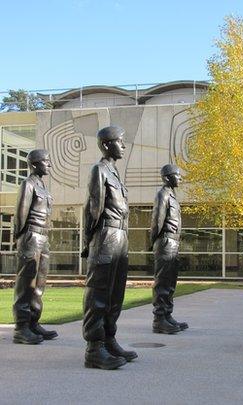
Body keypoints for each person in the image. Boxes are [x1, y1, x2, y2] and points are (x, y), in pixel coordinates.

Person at [82, 125, 137, 370]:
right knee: (100, 293)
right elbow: (93, 209)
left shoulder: (114, 172)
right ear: (106, 145)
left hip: (120, 236)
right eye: (120, 141)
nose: (123, 145)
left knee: (116, 293)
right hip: (105, 234)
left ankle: (108, 339)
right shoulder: (99, 170)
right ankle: (94, 348)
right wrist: (88, 242)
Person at [13, 149, 58, 344]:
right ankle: (21, 327)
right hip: (30, 236)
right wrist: (21, 239)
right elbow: (20, 214)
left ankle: (33, 322)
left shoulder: (43, 187)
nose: (49, 164)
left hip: (43, 236)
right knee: (26, 284)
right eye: (45, 161)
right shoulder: (28, 184)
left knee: (39, 284)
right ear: (34, 164)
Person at [150, 164, 188, 334]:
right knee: (162, 282)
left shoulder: (172, 195)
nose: (180, 178)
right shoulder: (162, 195)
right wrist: (155, 242)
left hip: (173, 243)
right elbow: (156, 221)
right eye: (176, 175)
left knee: (170, 282)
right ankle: (159, 319)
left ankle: (167, 315)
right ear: (167, 177)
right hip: (165, 242)